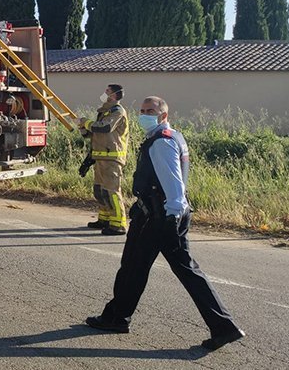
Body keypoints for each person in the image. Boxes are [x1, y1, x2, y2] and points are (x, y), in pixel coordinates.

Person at [86, 96, 245, 351]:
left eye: (150, 111)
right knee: (142, 267)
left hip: (160, 217)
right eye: (142, 110)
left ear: (163, 115)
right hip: (160, 215)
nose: (144, 114)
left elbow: (174, 186)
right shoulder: (171, 136)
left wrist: (171, 217)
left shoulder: (161, 143)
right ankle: (117, 316)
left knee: (143, 268)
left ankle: (223, 326)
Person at [78, 84, 129, 235]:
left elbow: (104, 128)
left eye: (107, 91)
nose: (104, 93)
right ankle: (105, 219)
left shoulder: (117, 111)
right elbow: (94, 134)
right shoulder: (105, 111)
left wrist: (86, 122)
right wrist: (83, 129)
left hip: (112, 159)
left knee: (111, 192)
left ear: (114, 95)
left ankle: (118, 224)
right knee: (99, 191)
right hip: (100, 157)